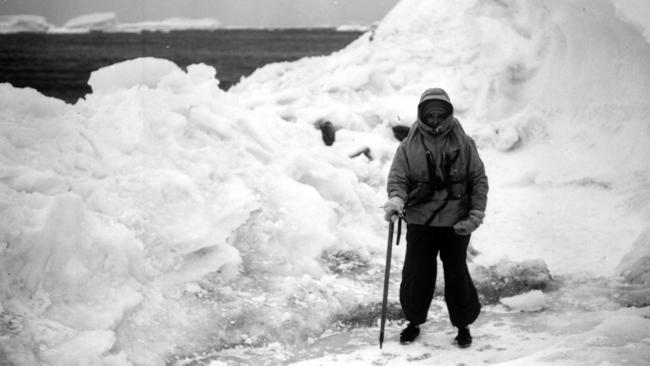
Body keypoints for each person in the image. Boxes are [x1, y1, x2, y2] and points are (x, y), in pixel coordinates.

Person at [384, 87, 488, 348]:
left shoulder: (464, 143)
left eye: (440, 114)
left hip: (457, 223)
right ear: (421, 115)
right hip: (421, 222)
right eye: (429, 115)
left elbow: (478, 180)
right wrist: (396, 200)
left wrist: (475, 215)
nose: (435, 120)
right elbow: (398, 179)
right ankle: (414, 322)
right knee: (417, 274)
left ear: (449, 114)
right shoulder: (409, 145)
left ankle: (463, 326)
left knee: (456, 274)